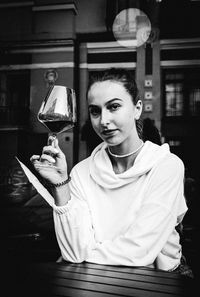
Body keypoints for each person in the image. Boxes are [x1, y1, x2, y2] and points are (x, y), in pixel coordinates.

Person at [30, 68, 191, 275]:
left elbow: (139, 252)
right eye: (95, 111)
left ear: (137, 109)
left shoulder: (166, 166)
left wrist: (84, 254)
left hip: (163, 280)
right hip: (98, 279)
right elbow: (72, 253)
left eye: (114, 106)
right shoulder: (81, 172)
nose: (103, 121)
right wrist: (61, 183)